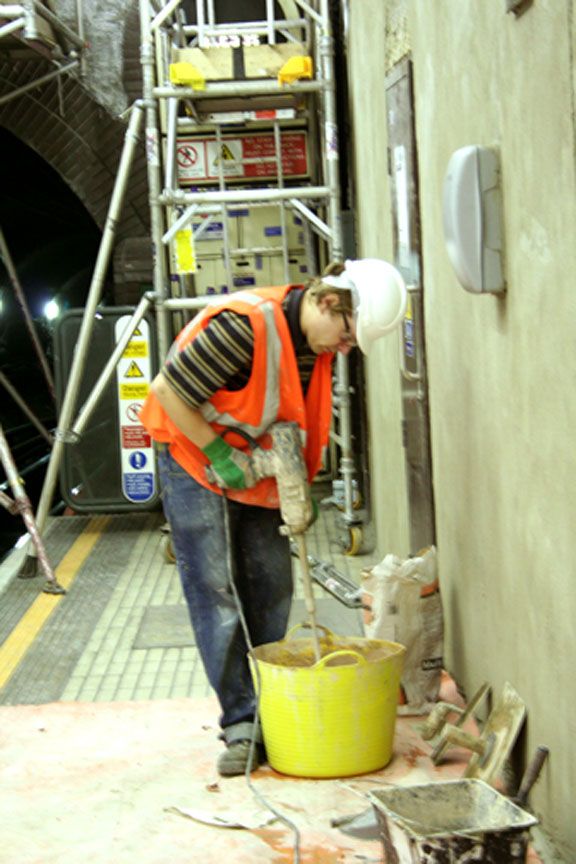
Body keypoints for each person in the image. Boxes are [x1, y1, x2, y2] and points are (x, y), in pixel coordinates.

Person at [139, 259, 407, 776]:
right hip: (195, 459)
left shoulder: (314, 345)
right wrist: (219, 454)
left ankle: (273, 708)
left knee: (270, 586)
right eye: (348, 334)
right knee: (217, 592)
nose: (346, 348)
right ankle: (242, 725)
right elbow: (168, 392)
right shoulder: (245, 328)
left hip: (255, 466)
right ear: (328, 302)